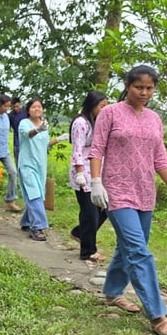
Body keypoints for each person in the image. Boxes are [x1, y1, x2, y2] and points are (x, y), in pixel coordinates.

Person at [88, 65, 167, 335]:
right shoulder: (110, 113)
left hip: (145, 191)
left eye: (149, 88)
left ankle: (112, 292)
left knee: (129, 246)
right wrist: (95, 182)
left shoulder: (154, 119)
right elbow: (96, 149)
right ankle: (157, 315)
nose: (144, 92)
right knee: (138, 251)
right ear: (127, 85)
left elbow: (159, 157)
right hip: (116, 190)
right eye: (138, 87)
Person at [17, 98, 69, 241]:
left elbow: (44, 145)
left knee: (38, 193)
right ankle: (37, 227)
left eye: (39, 107)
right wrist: (38, 130)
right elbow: (28, 134)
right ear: (28, 110)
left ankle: (26, 222)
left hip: (40, 165)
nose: (37, 109)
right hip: (27, 164)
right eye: (33, 107)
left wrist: (58, 139)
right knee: (35, 194)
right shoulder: (24, 123)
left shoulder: (44, 124)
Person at [68, 90, 109, 260]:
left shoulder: (98, 122)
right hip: (83, 173)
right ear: (92, 105)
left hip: (96, 172)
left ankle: (79, 233)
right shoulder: (81, 123)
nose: (104, 110)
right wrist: (79, 173)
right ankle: (88, 251)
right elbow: (77, 148)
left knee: (105, 207)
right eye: (101, 106)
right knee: (90, 213)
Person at [9, 97, 28, 163]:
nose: (15, 108)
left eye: (17, 106)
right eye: (13, 107)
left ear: (20, 104)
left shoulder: (26, 111)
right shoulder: (10, 115)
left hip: (28, 141)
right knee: (18, 162)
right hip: (17, 142)